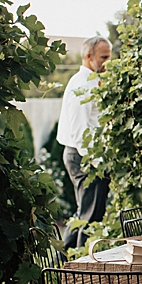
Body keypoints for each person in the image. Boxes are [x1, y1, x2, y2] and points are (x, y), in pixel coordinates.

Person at [57, 38, 111, 250]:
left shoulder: (92, 81)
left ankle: (64, 261)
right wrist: (98, 163)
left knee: (86, 213)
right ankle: (78, 264)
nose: (108, 61)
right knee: (89, 217)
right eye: (103, 57)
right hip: (84, 157)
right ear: (88, 56)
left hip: (89, 156)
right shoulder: (81, 85)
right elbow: (80, 132)